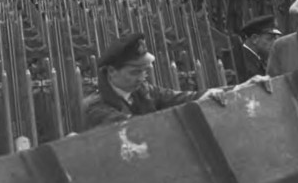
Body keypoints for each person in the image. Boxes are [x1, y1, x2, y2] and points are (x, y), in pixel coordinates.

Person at [83, 33, 269, 128]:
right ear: (112, 72)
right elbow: (138, 128)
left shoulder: (143, 90)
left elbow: (185, 98)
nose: (142, 78)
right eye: (134, 72)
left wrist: (241, 88)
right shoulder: (95, 107)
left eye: (144, 71)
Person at [238, 14, 282, 82]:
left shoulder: (255, 58)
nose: (274, 43)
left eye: (275, 38)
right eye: (269, 39)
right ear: (254, 38)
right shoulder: (242, 62)